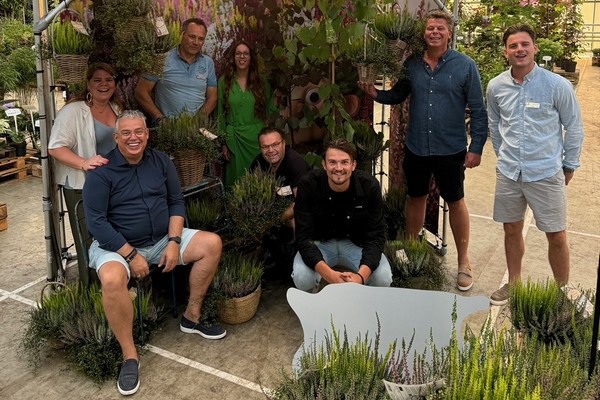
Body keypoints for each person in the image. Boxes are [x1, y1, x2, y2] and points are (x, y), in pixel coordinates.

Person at [83, 110, 225, 396]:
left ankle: (192, 317)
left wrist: (174, 241)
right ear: (116, 137)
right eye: (126, 133)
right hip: (117, 246)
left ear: (147, 134)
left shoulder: (162, 161)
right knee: (111, 279)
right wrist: (131, 255)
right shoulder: (101, 172)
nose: (133, 138)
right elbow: (96, 223)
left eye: (139, 131)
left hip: (161, 239)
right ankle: (129, 356)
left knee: (212, 244)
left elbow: (176, 201)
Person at [357, 9, 488, 292]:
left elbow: (478, 110)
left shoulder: (465, 66)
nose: (435, 32)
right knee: (415, 198)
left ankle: (463, 261)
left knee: (455, 201)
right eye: (430, 28)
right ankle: (409, 251)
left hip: (451, 148)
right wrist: (376, 94)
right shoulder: (412, 64)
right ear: (424, 33)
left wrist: (476, 147)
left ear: (449, 33)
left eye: (440, 28)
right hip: (417, 146)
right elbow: (399, 94)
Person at [486, 24, 584, 306]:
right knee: (511, 229)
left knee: (556, 233)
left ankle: (562, 291)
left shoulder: (557, 85)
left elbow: (574, 127)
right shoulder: (496, 86)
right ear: (505, 52)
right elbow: (495, 125)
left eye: (524, 44)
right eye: (513, 46)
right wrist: (504, 156)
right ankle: (514, 284)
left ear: (535, 48)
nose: (519, 50)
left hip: (545, 172)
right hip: (509, 173)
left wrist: (569, 165)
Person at [48, 62, 122, 284]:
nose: (103, 84)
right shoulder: (73, 111)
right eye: (97, 80)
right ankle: (90, 289)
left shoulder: (117, 109)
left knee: (112, 235)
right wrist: (84, 162)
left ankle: (114, 285)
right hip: (82, 186)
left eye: (109, 79)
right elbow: (55, 147)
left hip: (114, 185)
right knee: (88, 240)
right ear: (88, 84)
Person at [292, 138, 393, 291]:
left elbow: (376, 236)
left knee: (383, 278)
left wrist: (360, 278)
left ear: (353, 165)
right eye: (332, 162)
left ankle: (365, 300)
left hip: (357, 243)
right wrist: (331, 276)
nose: (338, 168)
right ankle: (316, 298)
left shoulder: (369, 186)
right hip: (320, 243)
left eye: (344, 162)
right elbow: (304, 238)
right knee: (302, 278)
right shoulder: (308, 184)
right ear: (324, 165)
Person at [217, 39, 278, 188]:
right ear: (233, 57)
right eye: (238, 53)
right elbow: (219, 114)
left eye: (246, 53)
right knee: (237, 182)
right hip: (234, 140)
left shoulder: (261, 81)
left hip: (257, 138)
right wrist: (223, 142)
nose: (242, 57)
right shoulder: (224, 82)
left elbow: (269, 110)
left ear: (251, 58)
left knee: (259, 179)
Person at [135, 18, 217, 123]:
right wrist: (160, 119)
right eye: (192, 37)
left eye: (201, 39)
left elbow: (212, 97)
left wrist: (197, 121)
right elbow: (141, 92)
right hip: (166, 127)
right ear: (182, 34)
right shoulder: (162, 59)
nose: (196, 42)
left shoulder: (207, 62)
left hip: (196, 128)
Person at [250, 126, 311, 226]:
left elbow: (302, 203)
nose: (270, 150)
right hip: (272, 209)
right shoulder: (259, 162)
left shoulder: (296, 163)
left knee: (295, 221)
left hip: (297, 210)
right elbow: (251, 194)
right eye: (265, 147)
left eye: (275, 144)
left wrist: (276, 220)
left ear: (283, 144)